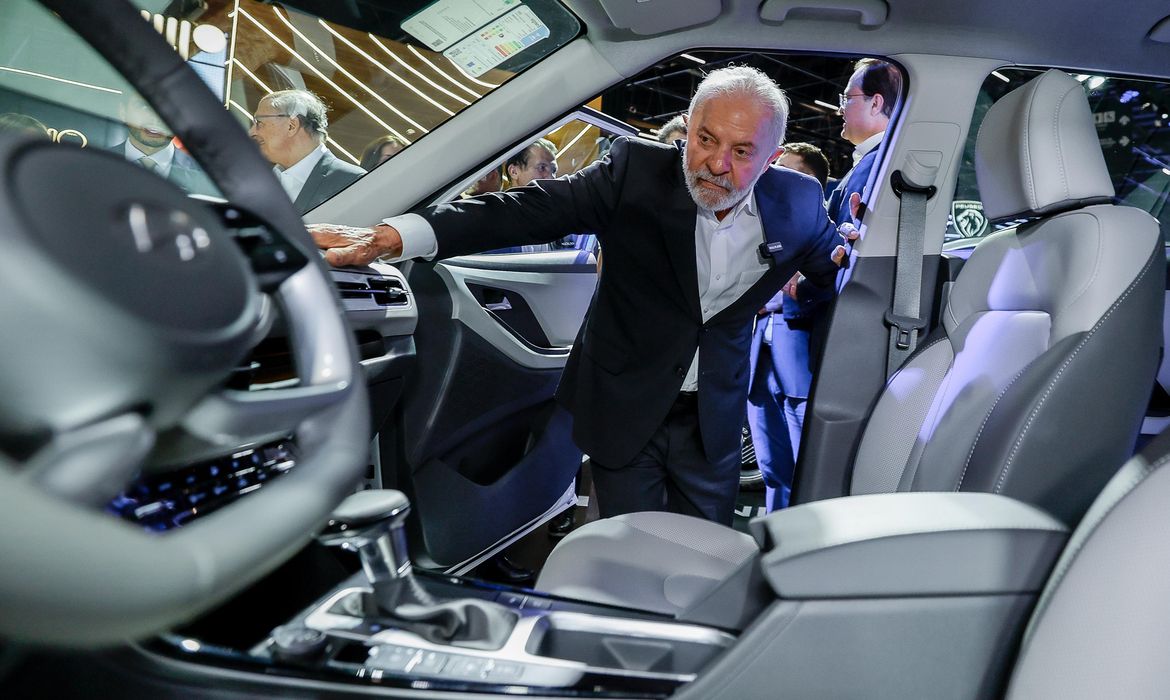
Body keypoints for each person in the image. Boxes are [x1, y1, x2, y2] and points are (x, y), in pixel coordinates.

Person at [310, 66, 842, 526]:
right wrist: (391, 237)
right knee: (626, 549)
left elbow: (830, 269)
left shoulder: (798, 202)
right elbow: (523, 210)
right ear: (689, 128)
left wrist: (828, 274)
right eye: (705, 139)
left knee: (707, 553)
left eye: (742, 151)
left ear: (773, 157)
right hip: (624, 403)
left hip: (713, 416)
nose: (716, 163)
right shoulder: (635, 172)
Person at [749, 141, 834, 512]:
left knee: (807, 468)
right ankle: (774, 535)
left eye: (790, 170)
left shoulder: (820, 232)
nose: (777, 176)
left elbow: (833, 282)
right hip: (758, 356)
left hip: (799, 354)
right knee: (772, 466)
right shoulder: (757, 220)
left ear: (811, 182)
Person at [248, 89, 364, 213]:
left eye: (259, 123)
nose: (251, 132)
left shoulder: (354, 183)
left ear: (291, 126)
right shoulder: (259, 184)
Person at [827, 58, 901, 228]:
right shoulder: (888, 158)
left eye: (847, 98)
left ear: (875, 104)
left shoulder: (875, 163)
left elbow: (844, 237)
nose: (840, 109)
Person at [111, 96, 215, 195]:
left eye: (170, 109)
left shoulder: (206, 178)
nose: (156, 118)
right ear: (123, 112)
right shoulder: (101, 164)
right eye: (144, 106)